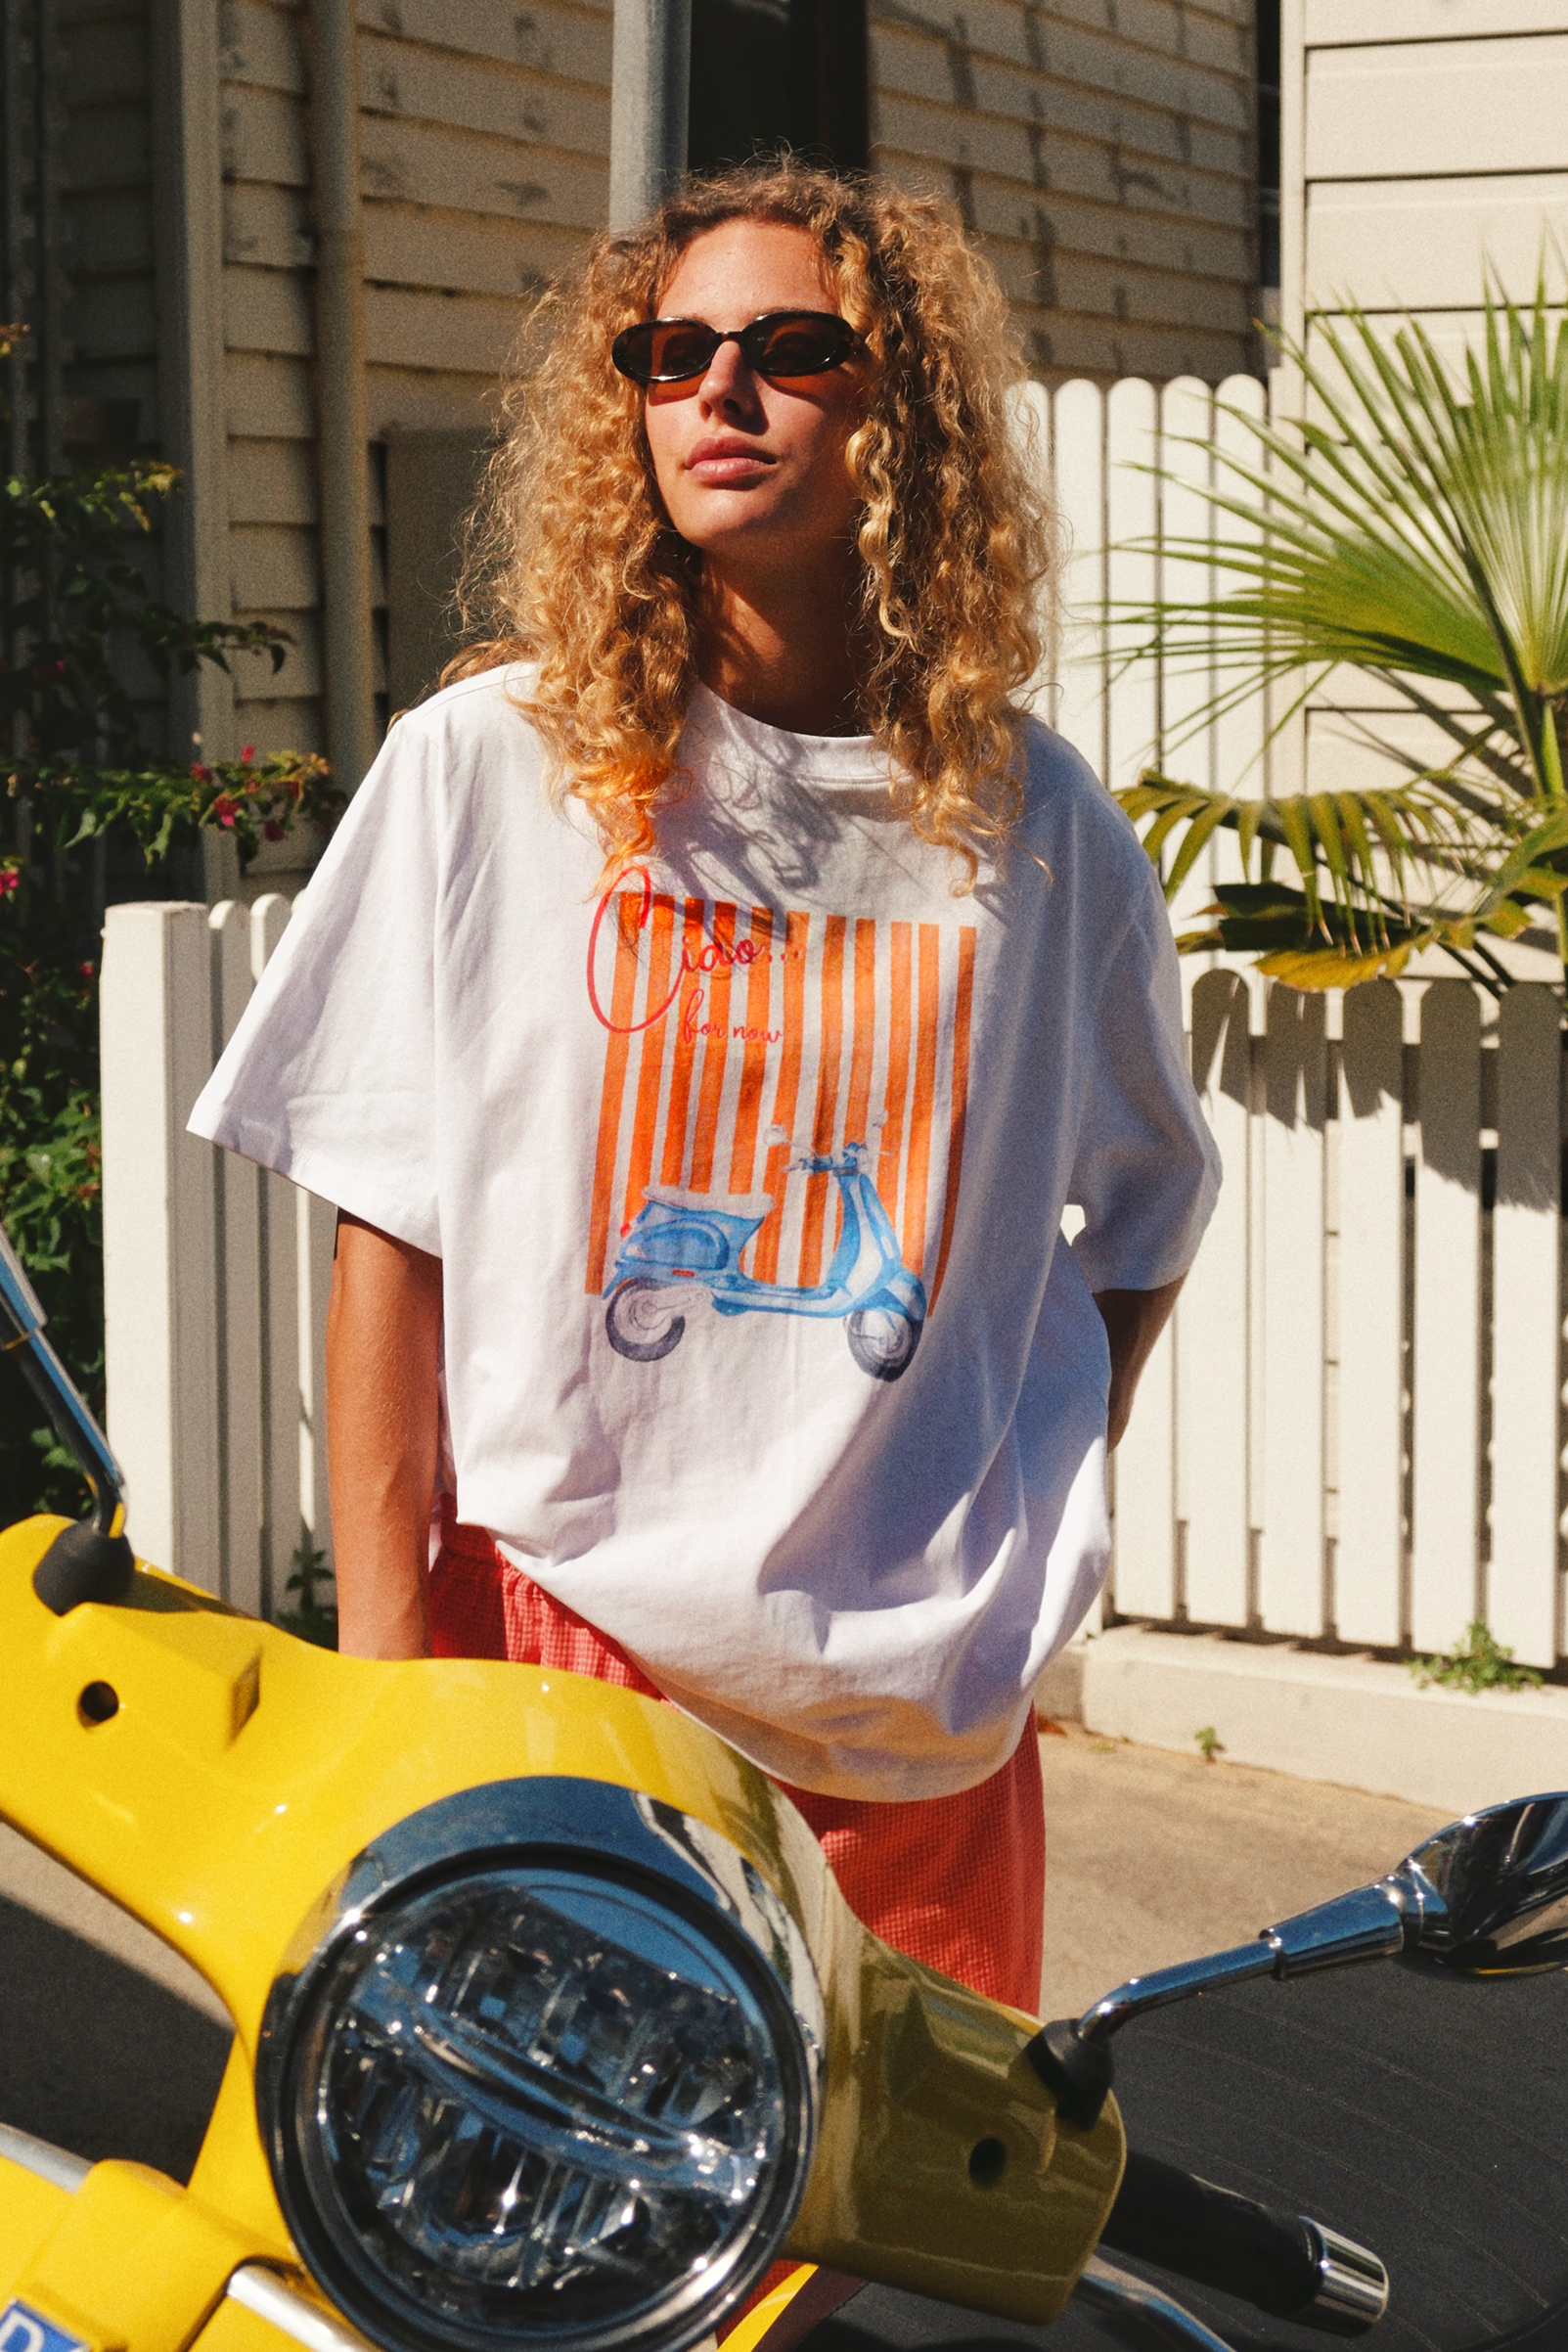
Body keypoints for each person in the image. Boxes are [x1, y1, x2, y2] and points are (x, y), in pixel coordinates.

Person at [190, 162, 1219, 2026]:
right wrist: (390, 1697)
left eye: (792, 347)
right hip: (559, 1668)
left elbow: (1143, 1206)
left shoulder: (1040, 829)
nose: (719, 391)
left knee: (866, 2205)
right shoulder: (496, 771)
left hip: (916, 1733)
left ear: (900, 409)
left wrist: (1011, 1464)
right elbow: (386, 1243)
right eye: (672, 354)